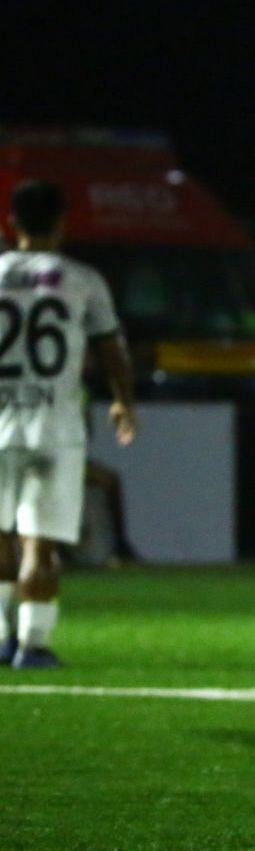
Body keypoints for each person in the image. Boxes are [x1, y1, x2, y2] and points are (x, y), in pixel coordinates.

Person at [0, 180, 138, 668]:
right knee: (41, 541)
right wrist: (123, 401)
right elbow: (111, 349)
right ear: (62, 223)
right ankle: (33, 645)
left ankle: (1, 636)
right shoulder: (81, 279)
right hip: (55, 426)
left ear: (11, 223)